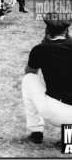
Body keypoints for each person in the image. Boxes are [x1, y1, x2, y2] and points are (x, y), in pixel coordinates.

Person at [22, 15, 72, 144]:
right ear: (67, 31)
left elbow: (30, 72)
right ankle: (68, 142)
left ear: (47, 31)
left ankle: (36, 132)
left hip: (55, 113)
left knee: (28, 79)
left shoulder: (41, 49)